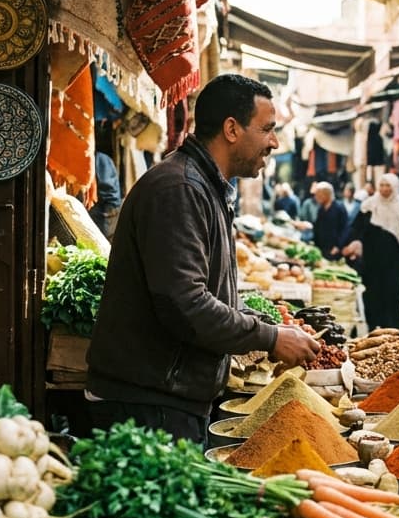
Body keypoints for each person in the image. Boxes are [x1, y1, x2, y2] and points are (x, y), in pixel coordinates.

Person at [86, 74, 321, 443]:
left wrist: (264, 326)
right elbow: (186, 304)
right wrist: (270, 336)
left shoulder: (203, 186)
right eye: (267, 129)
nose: (274, 142)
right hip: (148, 404)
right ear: (231, 129)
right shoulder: (180, 189)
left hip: (166, 396)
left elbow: (205, 293)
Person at [341, 172, 399, 330]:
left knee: (392, 296)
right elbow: (356, 229)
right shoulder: (369, 205)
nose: (384, 189)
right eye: (381, 185)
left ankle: (391, 332)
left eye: (388, 185)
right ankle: (373, 328)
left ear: (395, 187)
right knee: (372, 295)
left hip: (393, 263)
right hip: (371, 261)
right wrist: (353, 244)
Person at [311, 181, 349, 260]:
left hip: (333, 249)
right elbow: (318, 227)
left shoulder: (339, 208)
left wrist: (338, 246)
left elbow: (345, 229)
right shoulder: (321, 209)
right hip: (321, 248)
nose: (316, 197)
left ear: (326, 194)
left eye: (318, 194)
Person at [90, 150, 122, 240]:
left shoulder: (100, 159)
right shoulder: (103, 158)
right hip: (108, 206)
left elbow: (107, 187)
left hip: (104, 208)